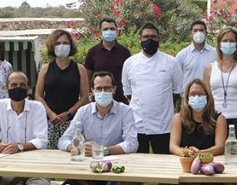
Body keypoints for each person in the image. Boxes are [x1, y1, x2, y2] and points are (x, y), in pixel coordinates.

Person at [58, 70, 138, 185]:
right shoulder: (83, 112)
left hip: (114, 171)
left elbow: (132, 143)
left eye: (107, 88)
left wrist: (103, 150)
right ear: (92, 91)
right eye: (99, 89)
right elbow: (63, 140)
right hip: (86, 170)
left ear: (114, 90)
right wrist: (73, 148)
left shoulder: (125, 111)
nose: (103, 92)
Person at [169, 78, 227, 185]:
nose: (196, 97)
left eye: (200, 94)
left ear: (208, 97)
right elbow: (173, 146)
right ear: (186, 98)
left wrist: (200, 154)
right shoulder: (179, 118)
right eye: (193, 94)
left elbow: (220, 147)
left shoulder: (219, 118)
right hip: (186, 172)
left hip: (211, 173)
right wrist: (187, 153)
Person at [121, 22, 183, 154]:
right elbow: (128, 93)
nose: (149, 40)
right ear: (140, 39)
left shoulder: (171, 62)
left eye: (153, 37)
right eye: (146, 37)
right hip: (138, 124)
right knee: (137, 166)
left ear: (159, 39)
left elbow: (177, 93)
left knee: (165, 166)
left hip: (164, 126)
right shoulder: (129, 63)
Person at [35, 29, 89, 150]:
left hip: (72, 122)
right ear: (52, 46)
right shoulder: (45, 68)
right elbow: (38, 95)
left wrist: (69, 113)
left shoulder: (80, 69)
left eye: (65, 43)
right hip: (50, 122)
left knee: (74, 152)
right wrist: (51, 114)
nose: (62, 46)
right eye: (58, 43)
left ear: (71, 45)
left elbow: (85, 96)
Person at [204, 26, 237, 154]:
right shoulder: (209, 68)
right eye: (225, 40)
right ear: (219, 43)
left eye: (232, 41)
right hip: (214, 119)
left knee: (234, 157)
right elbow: (206, 97)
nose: (228, 43)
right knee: (213, 156)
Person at [82, 17, 130, 104]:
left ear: (116, 31)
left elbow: (129, 76)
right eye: (105, 29)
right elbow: (87, 78)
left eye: (112, 29)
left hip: (121, 101)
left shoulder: (124, 52)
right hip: (99, 100)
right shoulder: (93, 52)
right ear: (101, 31)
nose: (109, 31)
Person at [174, 19, 217, 89]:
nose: (198, 33)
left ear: (206, 32)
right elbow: (176, 78)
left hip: (210, 96)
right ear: (190, 34)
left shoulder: (215, 54)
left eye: (201, 30)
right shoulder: (182, 55)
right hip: (189, 96)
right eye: (195, 30)